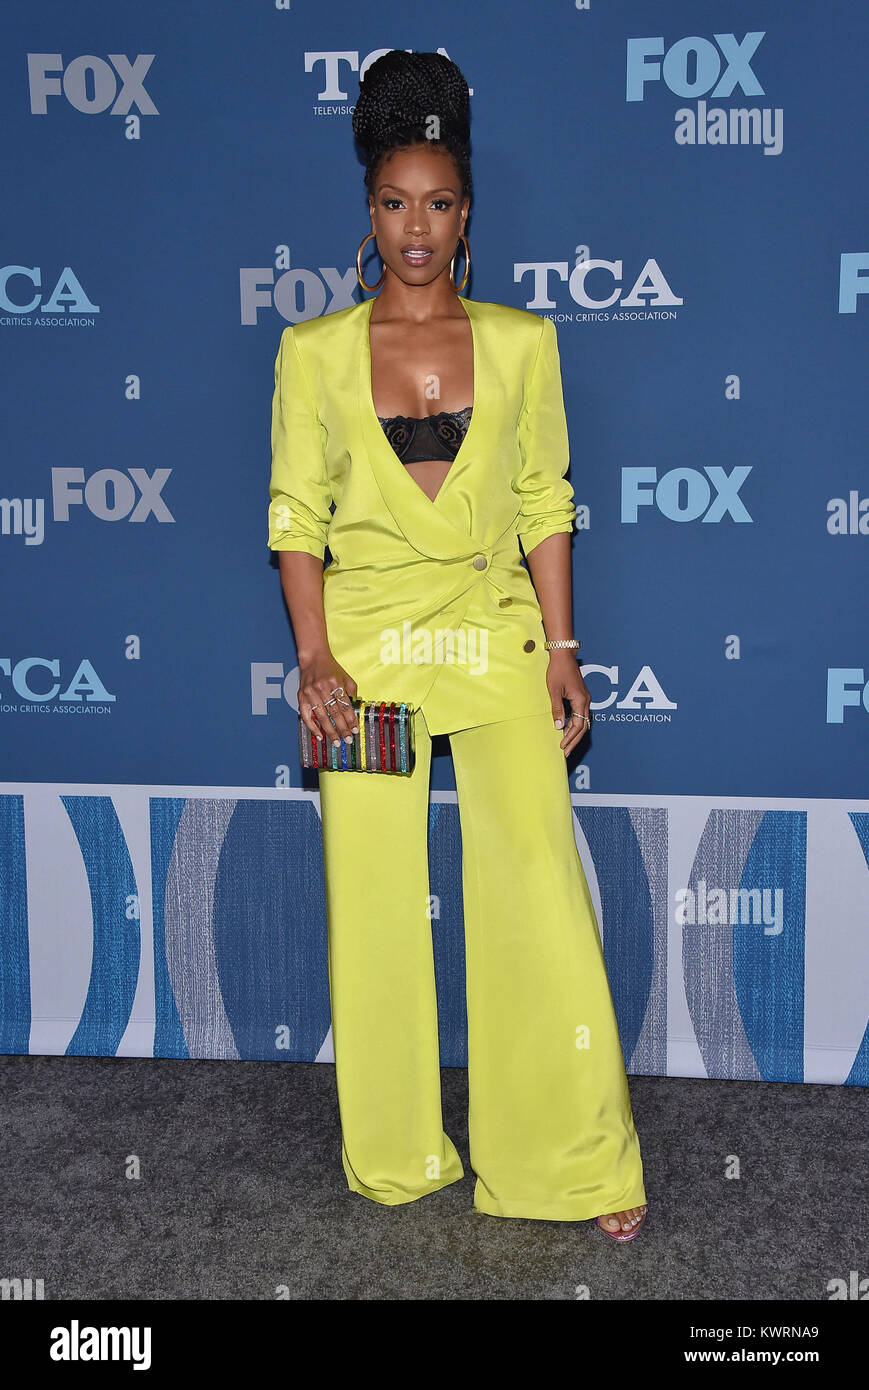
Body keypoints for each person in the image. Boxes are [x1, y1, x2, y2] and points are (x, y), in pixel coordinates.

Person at [267, 49, 648, 1238]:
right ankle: (396, 1152)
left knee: (535, 891)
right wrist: (317, 658)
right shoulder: (312, 355)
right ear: (367, 210)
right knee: (372, 904)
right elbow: (293, 519)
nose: (414, 227)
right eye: (393, 203)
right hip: (366, 662)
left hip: (493, 639)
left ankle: (570, 1163)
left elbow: (544, 502)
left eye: (436, 203)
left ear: (466, 210)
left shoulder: (523, 344)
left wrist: (561, 646)